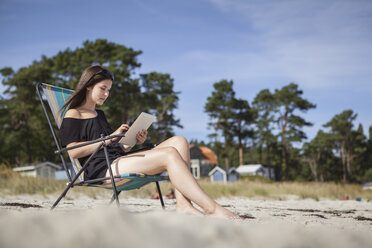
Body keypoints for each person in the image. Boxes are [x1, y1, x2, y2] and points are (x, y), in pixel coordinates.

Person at [59, 65, 240, 219]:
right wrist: (109, 139)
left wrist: (131, 142)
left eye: (108, 90)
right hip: (101, 169)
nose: (106, 94)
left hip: (116, 160)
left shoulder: (100, 114)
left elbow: (115, 147)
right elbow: (73, 151)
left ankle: (183, 204)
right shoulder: (74, 113)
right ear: (89, 86)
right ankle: (213, 209)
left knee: (179, 141)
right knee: (169, 154)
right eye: (103, 88)